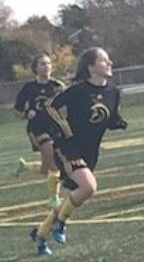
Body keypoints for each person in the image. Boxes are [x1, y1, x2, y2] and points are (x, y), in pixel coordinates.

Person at [30, 48, 126, 257]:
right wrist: (63, 129)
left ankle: (40, 235)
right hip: (68, 148)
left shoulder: (113, 91)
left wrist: (117, 122)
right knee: (89, 187)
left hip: (91, 152)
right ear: (91, 67)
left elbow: (110, 117)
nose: (109, 62)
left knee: (74, 197)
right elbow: (50, 107)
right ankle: (60, 224)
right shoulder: (79, 90)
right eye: (103, 60)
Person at [13, 54, 65, 208]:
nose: (47, 66)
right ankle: (54, 199)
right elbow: (18, 110)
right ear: (35, 68)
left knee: (46, 168)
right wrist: (26, 113)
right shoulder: (29, 88)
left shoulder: (58, 86)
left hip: (55, 128)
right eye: (42, 63)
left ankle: (25, 166)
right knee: (55, 165)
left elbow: (69, 105)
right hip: (37, 129)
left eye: (48, 63)